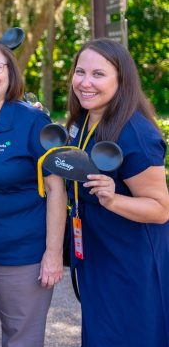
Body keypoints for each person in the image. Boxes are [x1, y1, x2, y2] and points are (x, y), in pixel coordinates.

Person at [0, 41, 67, 346]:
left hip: (22, 254)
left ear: (10, 73)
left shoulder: (32, 122)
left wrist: (53, 253)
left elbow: (56, 190)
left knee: (22, 338)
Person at [64, 39, 169, 346]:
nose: (85, 82)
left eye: (98, 74)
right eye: (80, 72)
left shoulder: (135, 132)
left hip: (131, 260)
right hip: (99, 251)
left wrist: (113, 198)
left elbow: (161, 208)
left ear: (121, 80)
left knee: (130, 335)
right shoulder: (84, 121)